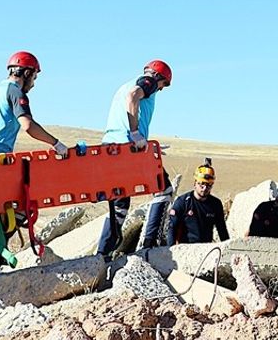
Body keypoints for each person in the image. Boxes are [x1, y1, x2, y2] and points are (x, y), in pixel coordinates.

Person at [0, 51, 69, 274]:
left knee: (1, 209)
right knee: (23, 205)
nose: (33, 84)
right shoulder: (15, 92)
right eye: (33, 77)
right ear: (25, 73)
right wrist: (56, 143)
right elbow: (27, 125)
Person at [96, 60, 173, 258]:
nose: (161, 90)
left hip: (111, 148)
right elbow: (133, 97)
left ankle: (102, 254)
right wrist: (135, 133)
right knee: (163, 189)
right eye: (163, 85)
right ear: (160, 78)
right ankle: (149, 245)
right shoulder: (148, 82)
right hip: (128, 149)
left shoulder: (126, 84)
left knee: (120, 204)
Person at [165, 162, 229, 246]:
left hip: (207, 249)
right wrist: (172, 250)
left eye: (208, 185)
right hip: (186, 249)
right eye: (202, 184)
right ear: (195, 183)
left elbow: (222, 230)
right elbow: (172, 228)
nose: (205, 188)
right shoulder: (183, 202)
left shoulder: (215, 204)